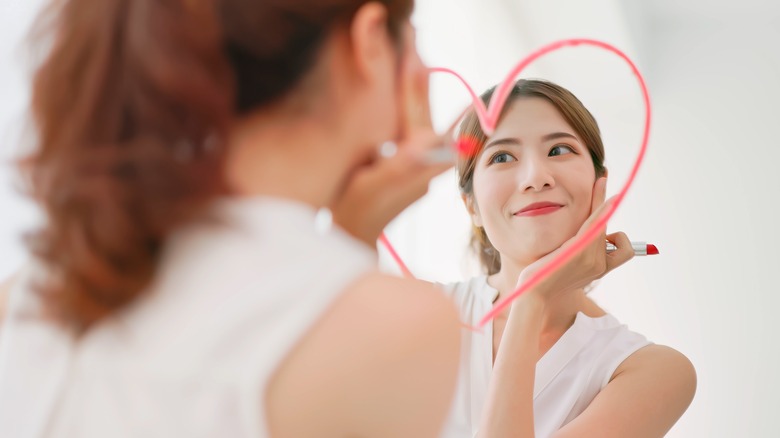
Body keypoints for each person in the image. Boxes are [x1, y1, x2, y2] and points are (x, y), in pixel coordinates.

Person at [0, 0, 462, 436]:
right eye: (412, 40)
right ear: (371, 40)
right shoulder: (404, 327)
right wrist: (350, 242)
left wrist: (351, 236)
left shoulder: (40, 288)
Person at [439, 79, 696, 437]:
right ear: (472, 206)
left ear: (599, 183)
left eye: (559, 150)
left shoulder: (653, 371)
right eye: (502, 157)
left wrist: (530, 298)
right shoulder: (415, 312)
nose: (535, 178)